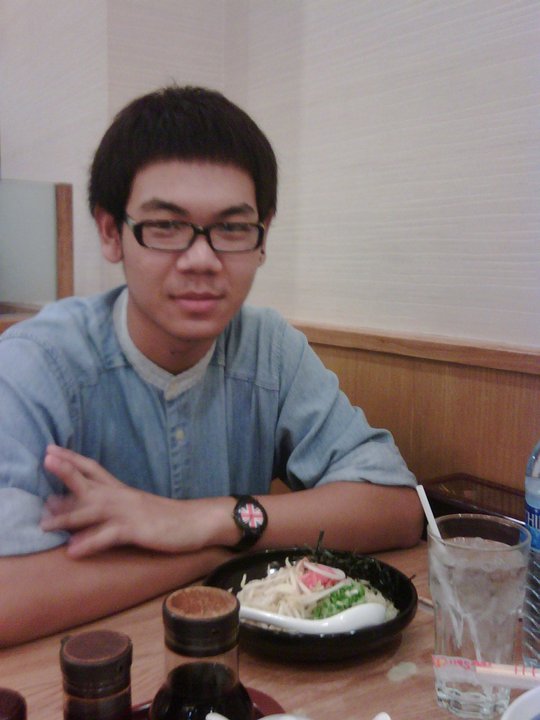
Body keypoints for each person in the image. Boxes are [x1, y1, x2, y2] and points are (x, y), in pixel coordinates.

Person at [0, 86, 423, 647]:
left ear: (262, 237)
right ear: (110, 232)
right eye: (165, 225)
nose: (201, 259)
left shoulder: (269, 348)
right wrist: (211, 547)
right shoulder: (36, 364)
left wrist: (206, 519)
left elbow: (398, 507)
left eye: (231, 228)